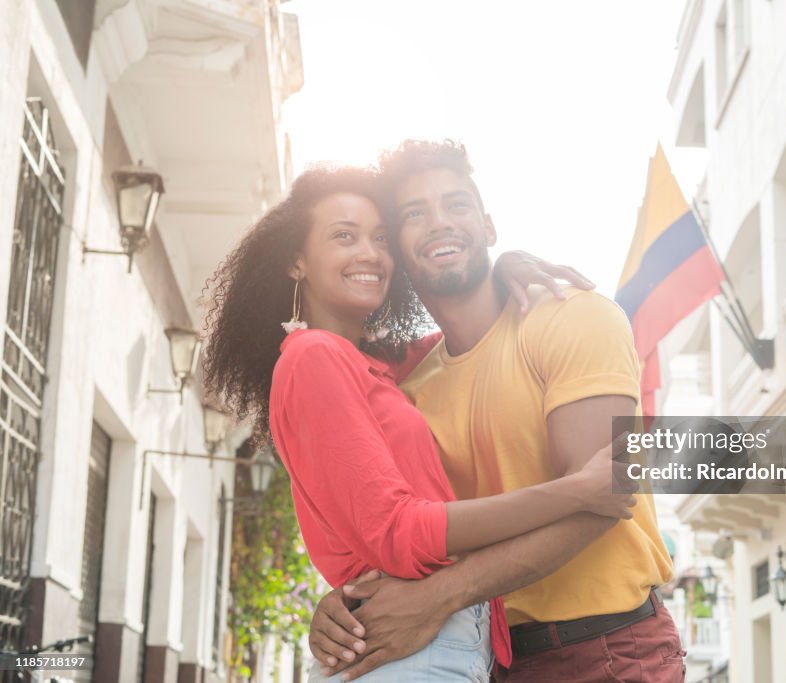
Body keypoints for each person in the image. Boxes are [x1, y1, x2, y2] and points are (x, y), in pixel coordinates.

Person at [202, 165, 640, 682]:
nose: (368, 252)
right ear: (296, 261)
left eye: (380, 238)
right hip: (420, 645)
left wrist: (496, 268)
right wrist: (576, 490)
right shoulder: (314, 356)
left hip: (472, 642)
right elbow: (396, 531)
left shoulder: (387, 369)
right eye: (344, 236)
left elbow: (465, 334)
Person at [310, 141, 685, 682]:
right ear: (394, 248)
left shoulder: (574, 316)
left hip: (606, 650)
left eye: (456, 205)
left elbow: (604, 500)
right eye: (414, 214)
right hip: (487, 662)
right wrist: (345, 607)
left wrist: (438, 597)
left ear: (488, 226)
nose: (439, 223)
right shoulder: (409, 385)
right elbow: (410, 532)